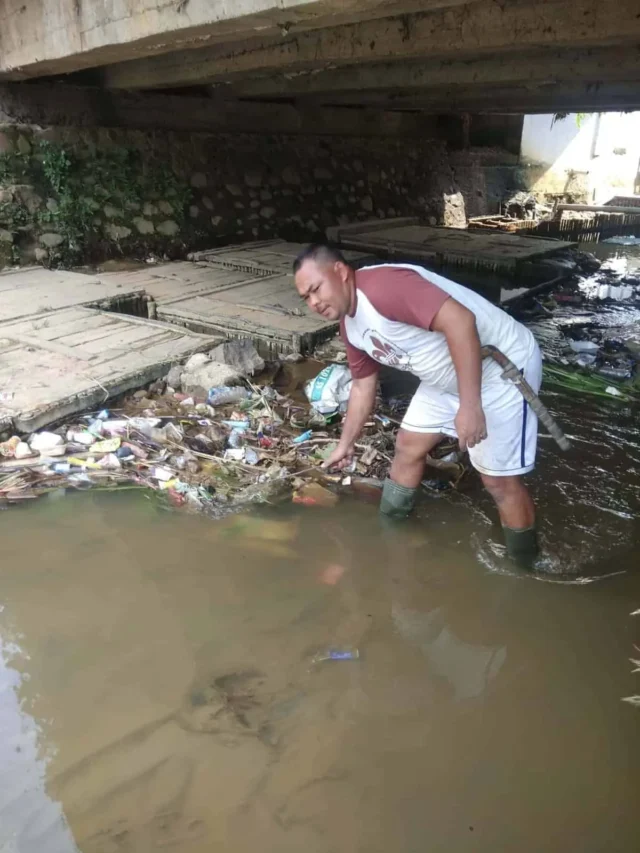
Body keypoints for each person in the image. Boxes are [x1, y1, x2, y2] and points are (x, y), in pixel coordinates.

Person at [293, 243, 543, 569]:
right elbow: (362, 386)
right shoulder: (350, 325)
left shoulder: (384, 288)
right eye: (306, 298)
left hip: (500, 369)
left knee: (498, 481)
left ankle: (524, 565)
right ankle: (391, 533)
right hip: (445, 375)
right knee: (408, 447)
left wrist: (470, 406)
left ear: (340, 272)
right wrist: (345, 444)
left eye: (316, 289)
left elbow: (461, 321)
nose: (314, 303)